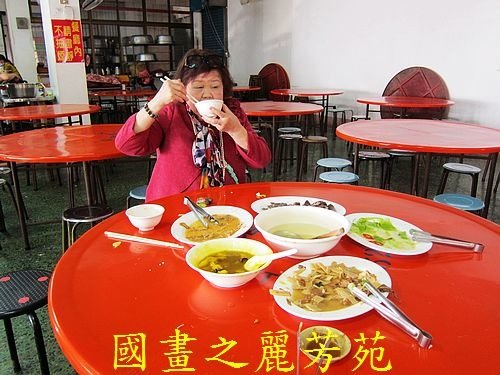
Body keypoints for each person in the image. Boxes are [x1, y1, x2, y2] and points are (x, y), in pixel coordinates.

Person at [115, 49, 272, 201]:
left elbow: (262, 159)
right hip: (176, 207)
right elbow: (126, 144)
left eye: (215, 86)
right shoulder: (171, 111)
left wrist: (235, 130)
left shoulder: (232, 112)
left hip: (228, 205)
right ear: (182, 89)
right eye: (198, 87)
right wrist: (157, 102)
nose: (208, 93)